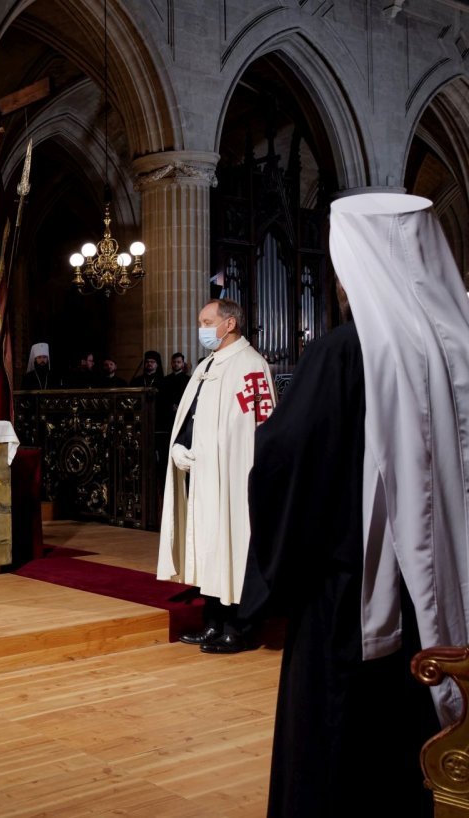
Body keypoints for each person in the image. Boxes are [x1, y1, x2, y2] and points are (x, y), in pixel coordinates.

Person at [239, 193, 468, 816]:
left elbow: (285, 462)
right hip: (448, 601)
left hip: (355, 605)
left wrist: (273, 582)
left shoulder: (346, 351)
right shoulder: (460, 344)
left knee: (342, 764)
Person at [156, 299, 274, 654]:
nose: (202, 328)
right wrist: (180, 446)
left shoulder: (251, 366)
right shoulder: (207, 366)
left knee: (232, 545)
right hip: (203, 475)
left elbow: (261, 426)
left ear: (229, 323)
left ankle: (240, 627)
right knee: (209, 547)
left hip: (235, 477)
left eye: (207, 321)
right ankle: (213, 622)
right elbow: (190, 415)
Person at [160, 352, 191, 416]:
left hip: (183, 411)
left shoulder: (188, 380)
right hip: (168, 411)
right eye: (174, 362)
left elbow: (188, 396)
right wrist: (171, 405)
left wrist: (179, 406)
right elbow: (163, 396)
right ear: (171, 363)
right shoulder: (165, 379)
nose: (176, 364)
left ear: (182, 364)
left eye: (178, 362)